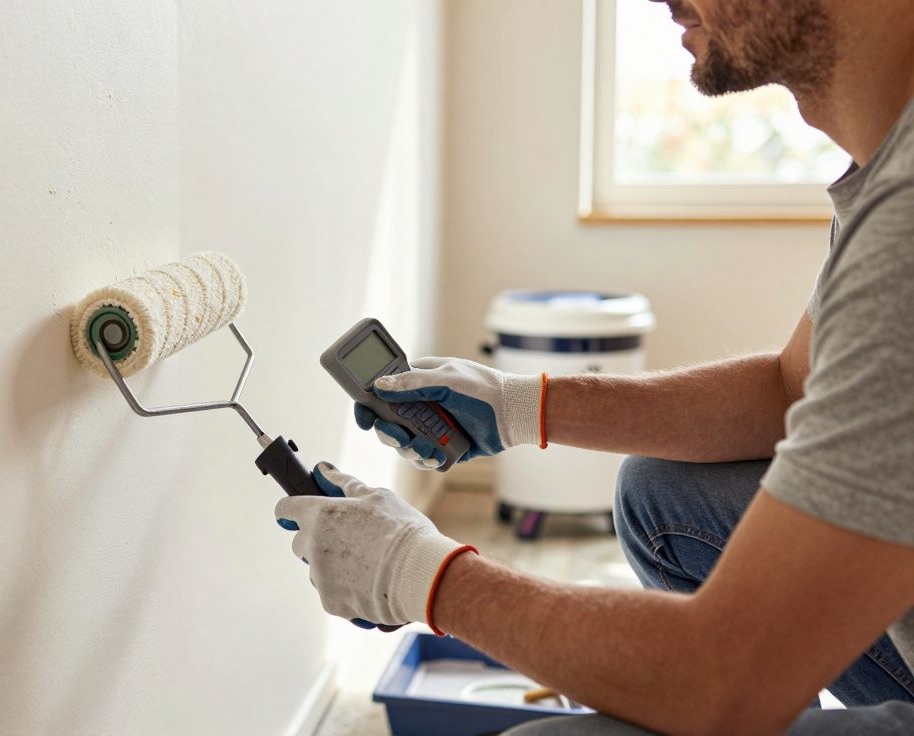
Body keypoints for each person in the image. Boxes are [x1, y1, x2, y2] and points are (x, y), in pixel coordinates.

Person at [273, 0, 914, 732]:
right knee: (664, 494)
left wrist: (418, 575)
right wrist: (519, 405)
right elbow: (787, 390)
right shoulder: (885, 166)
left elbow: (718, 676)